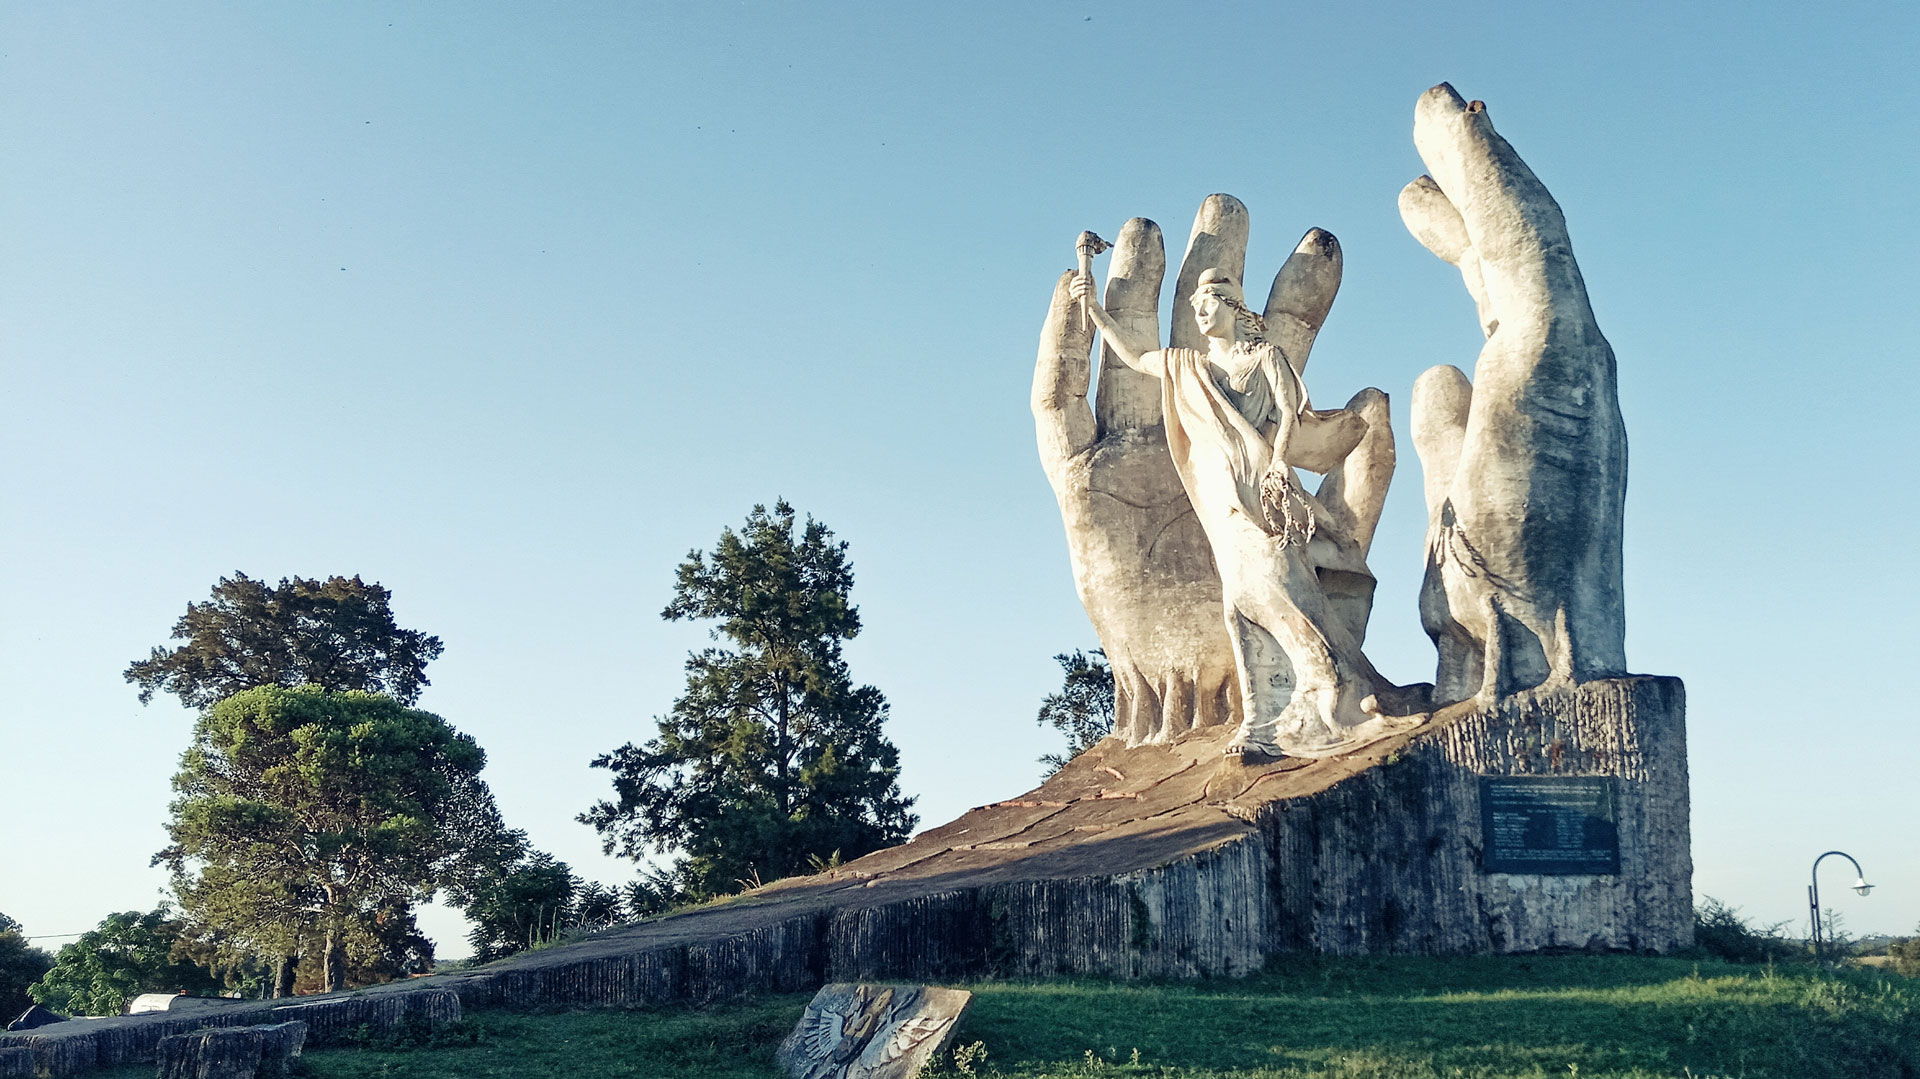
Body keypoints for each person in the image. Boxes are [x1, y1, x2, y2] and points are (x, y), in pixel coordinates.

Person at [1070, 267, 1416, 758]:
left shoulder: (1265, 356)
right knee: (1239, 597)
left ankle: (1330, 693)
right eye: (1194, 304)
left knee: (1278, 580)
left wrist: (1278, 462)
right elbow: (1132, 357)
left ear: (1233, 306)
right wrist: (1095, 310)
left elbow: (1291, 413)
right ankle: (1262, 715)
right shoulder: (1186, 364)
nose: (1199, 310)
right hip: (1221, 495)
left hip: (1265, 485)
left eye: (1208, 300)